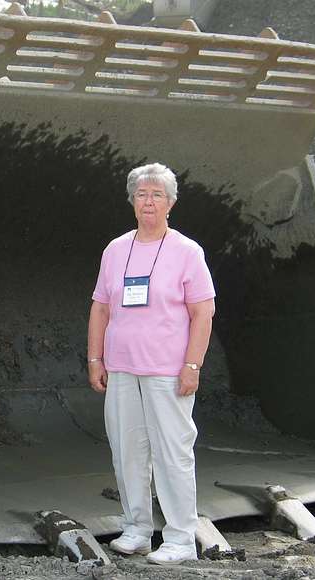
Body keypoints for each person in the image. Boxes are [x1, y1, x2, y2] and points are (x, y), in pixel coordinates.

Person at [87, 163, 215, 564]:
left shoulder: (186, 251)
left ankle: (179, 537)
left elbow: (203, 313)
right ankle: (137, 528)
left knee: (172, 451)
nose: (148, 201)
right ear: (132, 201)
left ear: (171, 202)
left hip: (166, 372)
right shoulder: (115, 249)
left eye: (157, 194)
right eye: (141, 194)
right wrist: (95, 358)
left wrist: (191, 366)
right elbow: (101, 308)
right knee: (127, 450)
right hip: (123, 368)